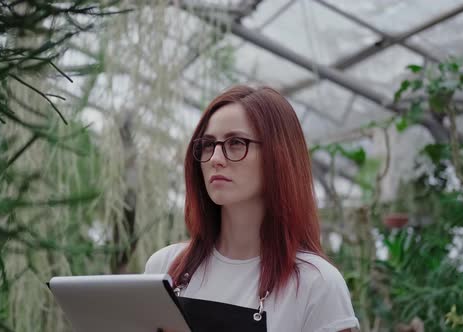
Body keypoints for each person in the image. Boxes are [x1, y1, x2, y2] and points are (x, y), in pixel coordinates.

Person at [145, 85, 359, 332]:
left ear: (278, 155)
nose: (215, 158)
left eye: (236, 142)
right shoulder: (165, 268)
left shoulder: (317, 284)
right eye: (207, 144)